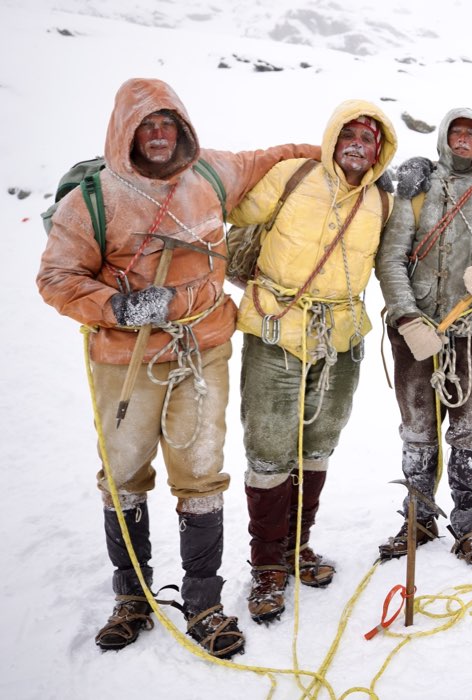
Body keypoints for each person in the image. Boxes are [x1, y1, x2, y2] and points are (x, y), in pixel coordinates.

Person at [36, 77, 319, 657]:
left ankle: (204, 602)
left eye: (167, 123)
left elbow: (275, 158)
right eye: (146, 124)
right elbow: (56, 279)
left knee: (201, 471)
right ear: (125, 131)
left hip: (204, 349)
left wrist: (346, 159)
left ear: (183, 127)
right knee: (123, 474)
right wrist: (118, 307)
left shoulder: (212, 173)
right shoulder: (92, 198)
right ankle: (132, 596)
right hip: (124, 358)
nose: (158, 134)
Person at [228, 101, 396, 623]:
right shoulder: (292, 176)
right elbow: (228, 206)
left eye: (369, 138)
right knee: (270, 451)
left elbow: (398, 258)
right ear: (332, 137)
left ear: (379, 150)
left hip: (342, 338)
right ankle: (266, 566)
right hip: (276, 329)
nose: (358, 143)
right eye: (350, 133)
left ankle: (296, 548)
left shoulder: (382, 202)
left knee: (318, 446)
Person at [375, 108, 472, 569]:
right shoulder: (416, 192)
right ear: (445, 138)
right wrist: (406, 317)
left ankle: (468, 527)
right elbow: (391, 259)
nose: (464, 140)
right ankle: (418, 519)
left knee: (470, 431)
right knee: (417, 430)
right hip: (414, 334)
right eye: (457, 133)